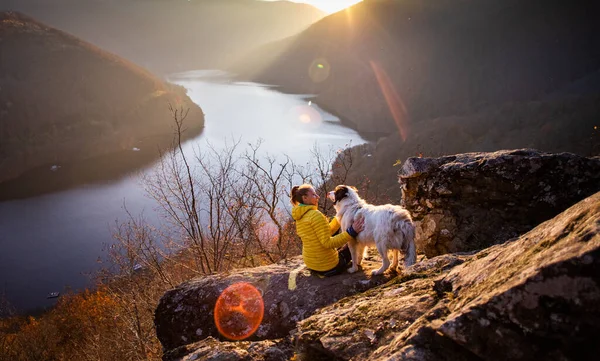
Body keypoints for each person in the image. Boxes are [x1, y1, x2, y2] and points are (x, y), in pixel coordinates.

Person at [291, 184, 364, 276]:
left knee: (343, 243)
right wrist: (351, 231)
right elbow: (328, 243)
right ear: (305, 198)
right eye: (313, 195)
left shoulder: (300, 216)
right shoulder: (315, 215)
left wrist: (339, 218)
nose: (317, 197)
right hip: (329, 266)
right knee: (352, 244)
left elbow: (325, 232)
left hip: (311, 263)